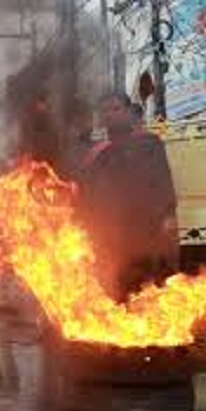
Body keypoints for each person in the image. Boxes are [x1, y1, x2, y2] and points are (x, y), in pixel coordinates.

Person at [79, 92, 178, 302]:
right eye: (105, 111)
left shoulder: (149, 143)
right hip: (115, 235)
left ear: (128, 111)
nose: (110, 115)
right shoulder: (97, 155)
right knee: (121, 291)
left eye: (115, 109)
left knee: (155, 288)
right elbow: (88, 197)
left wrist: (168, 216)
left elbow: (163, 182)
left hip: (149, 230)